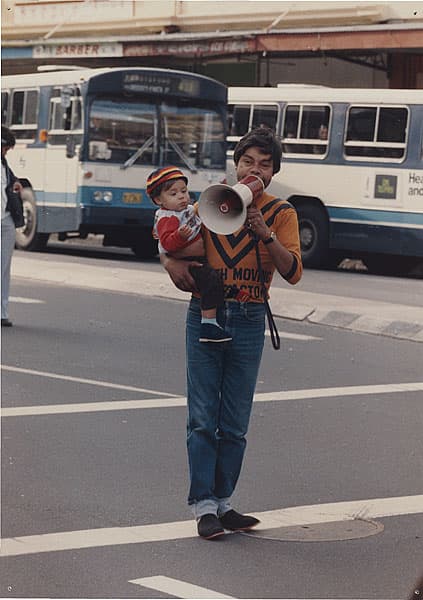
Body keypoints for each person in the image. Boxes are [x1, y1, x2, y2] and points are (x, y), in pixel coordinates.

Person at [160, 127, 303, 539]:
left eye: (264, 164)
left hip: (250, 315)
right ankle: (203, 505)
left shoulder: (282, 214)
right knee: (203, 416)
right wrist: (168, 263)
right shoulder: (212, 202)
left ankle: (224, 501)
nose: (254, 170)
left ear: (273, 172)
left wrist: (266, 234)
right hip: (207, 312)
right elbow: (171, 238)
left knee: (235, 421)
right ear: (236, 164)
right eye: (247, 162)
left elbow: (293, 271)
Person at [148, 166, 231, 343]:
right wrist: (179, 236)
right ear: (158, 200)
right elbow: (167, 244)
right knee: (211, 280)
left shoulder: (185, 210)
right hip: (188, 261)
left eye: (184, 191)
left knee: (214, 282)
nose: (181, 196)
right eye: (173, 194)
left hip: (195, 257)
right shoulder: (168, 218)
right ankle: (208, 324)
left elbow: (204, 207)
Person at [1, 126, 24, 328]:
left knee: (5, 266)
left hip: (6, 219)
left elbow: (10, 179)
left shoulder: (3, 164)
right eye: (5, 147)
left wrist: (15, 183)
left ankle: (2, 312)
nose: (6, 151)